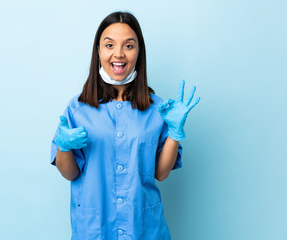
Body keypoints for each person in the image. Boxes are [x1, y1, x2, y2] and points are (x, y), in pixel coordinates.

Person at [50, 11, 200, 240]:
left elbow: (160, 173)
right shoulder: (77, 109)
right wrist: (63, 146)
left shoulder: (158, 110)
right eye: (109, 45)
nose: (118, 54)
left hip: (144, 229)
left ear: (139, 52)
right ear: (98, 50)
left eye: (128, 46)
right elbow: (70, 173)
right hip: (95, 230)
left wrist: (175, 133)